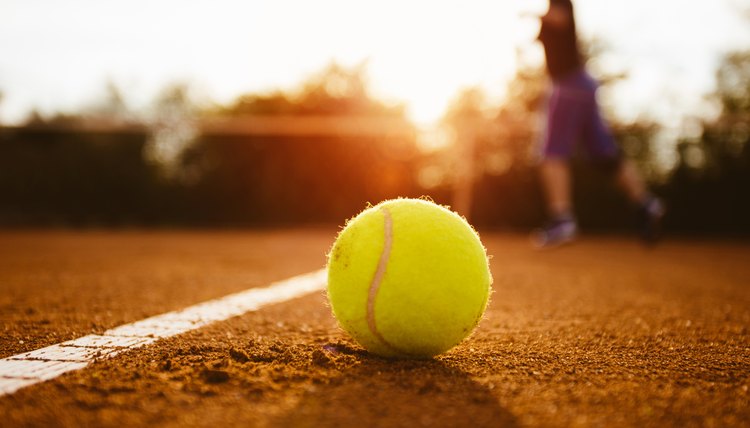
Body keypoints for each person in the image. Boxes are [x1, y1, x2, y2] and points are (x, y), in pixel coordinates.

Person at [532, 0, 664, 247]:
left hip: (568, 85)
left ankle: (562, 219)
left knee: (551, 154)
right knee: (605, 155)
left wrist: (531, 14)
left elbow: (559, 18)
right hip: (582, 84)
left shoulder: (558, 3)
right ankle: (646, 203)